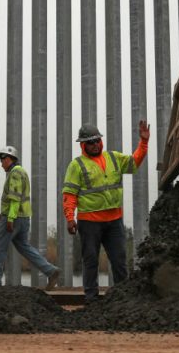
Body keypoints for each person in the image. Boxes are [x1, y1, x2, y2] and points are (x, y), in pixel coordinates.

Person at [62, 120, 150, 302]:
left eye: (97, 141)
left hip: (114, 221)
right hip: (89, 222)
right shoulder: (76, 165)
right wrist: (70, 217)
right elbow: (69, 194)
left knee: (119, 260)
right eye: (90, 142)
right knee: (91, 261)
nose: (95, 145)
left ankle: (123, 298)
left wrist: (144, 142)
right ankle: (91, 299)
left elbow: (134, 164)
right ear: (83, 145)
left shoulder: (114, 158)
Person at [0, 145, 60, 289]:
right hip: (23, 218)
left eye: (2, 160)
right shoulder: (21, 172)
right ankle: (50, 270)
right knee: (25, 248)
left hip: (14, 219)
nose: (1, 163)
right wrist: (2, 214)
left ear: (9, 159)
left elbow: (15, 197)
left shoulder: (15, 173)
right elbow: (17, 198)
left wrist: (9, 218)